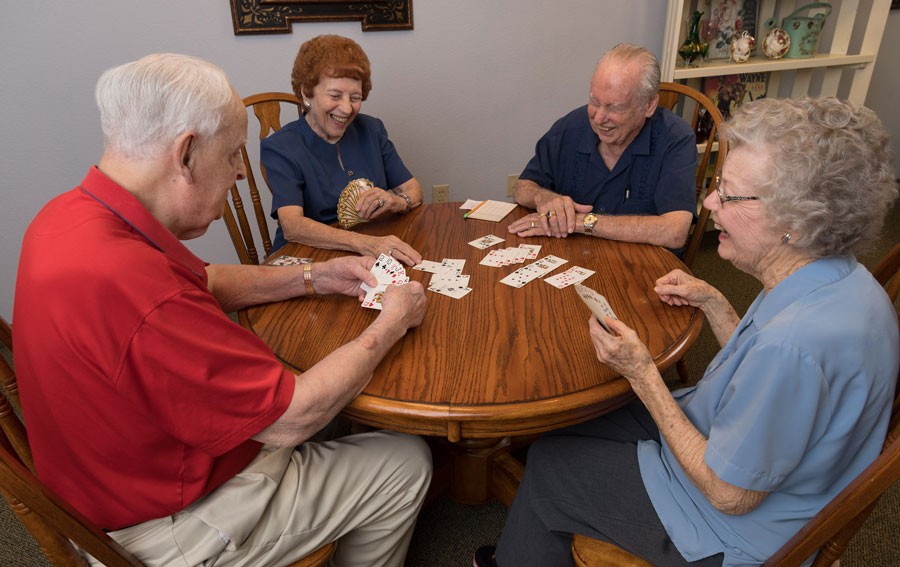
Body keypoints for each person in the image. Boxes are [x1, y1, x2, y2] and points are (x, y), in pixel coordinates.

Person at [13, 53, 431, 567]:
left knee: (337, 404)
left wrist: (314, 276)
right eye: (233, 153)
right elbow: (292, 418)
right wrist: (394, 317)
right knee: (406, 460)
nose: (240, 172)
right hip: (162, 526)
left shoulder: (69, 215)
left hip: (98, 476)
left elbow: (204, 279)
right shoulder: (141, 294)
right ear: (185, 153)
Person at [476, 97, 899, 567]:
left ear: (796, 223)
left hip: (737, 528)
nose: (710, 202)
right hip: (748, 445)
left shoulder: (796, 342)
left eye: (731, 195)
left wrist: (642, 374)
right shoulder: (834, 277)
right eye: (718, 184)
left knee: (554, 465)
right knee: (576, 422)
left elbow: (730, 494)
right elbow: (772, 378)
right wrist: (716, 303)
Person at [507, 43, 697, 251]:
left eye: (614, 107)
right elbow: (522, 188)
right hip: (574, 257)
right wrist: (543, 197)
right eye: (594, 102)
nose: (598, 118)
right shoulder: (571, 127)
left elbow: (675, 232)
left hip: (642, 267)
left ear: (649, 105)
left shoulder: (676, 139)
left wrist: (579, 222)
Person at [263, 34, 424, 266]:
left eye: (355, 97)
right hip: (309, 258)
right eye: (335, 96)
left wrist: (397, 201)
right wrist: (364, 243)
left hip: (372, 249)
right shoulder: (280, 147)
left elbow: (413, 188)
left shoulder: (372, 129)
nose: (347, 108)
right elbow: (292, 226)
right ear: (307, 93)